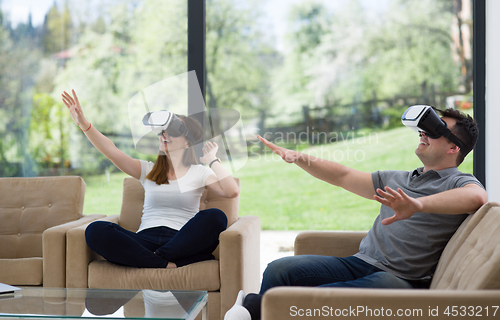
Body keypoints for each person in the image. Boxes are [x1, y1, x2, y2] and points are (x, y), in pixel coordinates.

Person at [224, 107, 488, 320]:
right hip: (360, 261)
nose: (423, 132)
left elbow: (477, 197)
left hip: (402, 279)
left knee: (313, 299)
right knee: (279, 269)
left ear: (454, 148)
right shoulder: (396, 178)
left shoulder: (457, 181)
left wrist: (419, 205)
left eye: (435, 130)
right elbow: (343, 176)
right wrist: (300, 158)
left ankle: (250, 309)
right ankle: (255, 309)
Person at [62, 89, 239, 269]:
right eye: (163, 131)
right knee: (96, 230)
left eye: (173, 130)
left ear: (188, 142)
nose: (164, 135)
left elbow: (231, 191)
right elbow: (112, 151)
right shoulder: (148, 170)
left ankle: (151, 259)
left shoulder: (199, 172)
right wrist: (83, 124)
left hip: (181, 241)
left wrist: (212, 160)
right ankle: (163, 263)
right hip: (143, 240)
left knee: (216, 216)